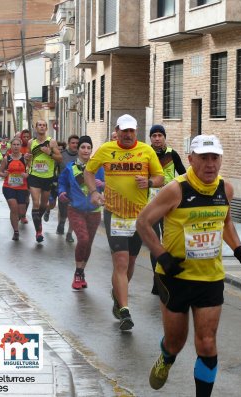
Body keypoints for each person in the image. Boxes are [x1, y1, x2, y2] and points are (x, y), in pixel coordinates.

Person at [137, 134, 241, 396]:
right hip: (175, 276)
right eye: (203, 158)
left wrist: (240, 250)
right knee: (176, 342)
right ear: (191, 159)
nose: (210, 164)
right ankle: (166, 358)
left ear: (220, 159)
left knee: (207, 343)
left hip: (210, 277)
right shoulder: (176, 189)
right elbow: (143, 222)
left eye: (214, 157)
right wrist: (161, 255)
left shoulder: (225, 189)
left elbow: (225, 221)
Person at [84, 114, 164, 330]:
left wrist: (147, 181)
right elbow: (88, 171)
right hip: (115, 213)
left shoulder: (146, 151)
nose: (128, 135)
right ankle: (125, 311)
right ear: (117, 130)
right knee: (119, 262)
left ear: (136, 132)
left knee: (129, 265)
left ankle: (117, 296)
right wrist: (93, 192)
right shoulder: (106, 149)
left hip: (139, 217)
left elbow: (160, 178)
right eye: (124, 131)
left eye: (131, 131)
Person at [58, 136, 105, 289]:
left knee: (89, 242)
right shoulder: (70, 168)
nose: (85, 150)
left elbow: (110, 184)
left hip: (94, 210)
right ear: (77, 150)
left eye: (88, 148)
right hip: (75, 209)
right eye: (83, 147)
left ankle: (81, 271)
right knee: (83, 239)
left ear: (91, 150)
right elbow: (62, 182)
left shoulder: (98, 168)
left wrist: (102, 184)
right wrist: (62, 192)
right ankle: (77, 273)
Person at [148, 124, 187, 294]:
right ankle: (157, 279)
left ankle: (167, 276)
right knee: (154, 241)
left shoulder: (172, 154)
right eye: (154, 135)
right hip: (151, 204)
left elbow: (184, 175)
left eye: (160, 135)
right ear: (150, 138)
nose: (157, 138)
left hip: (169, 204)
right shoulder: (145, 154)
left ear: (164, 137)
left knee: (169, 241)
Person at [27, 120, 62, 243]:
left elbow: (60, 158)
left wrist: (50, 152)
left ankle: (38, 219)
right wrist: (27, 160)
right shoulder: (31, 142)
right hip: (34, 176)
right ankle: (38, 232)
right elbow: (29, 158)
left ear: (46, 128)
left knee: (43, 205)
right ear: (35, 127)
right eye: (39, 125)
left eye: (43, 125)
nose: (41, 127)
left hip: (47, 177)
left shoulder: (51, 142)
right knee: (35, 203)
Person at [0, 137, 30, 241]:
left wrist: (27, 174)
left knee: (21, 212)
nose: (16, 147)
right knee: (13, 208)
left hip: (22, 187)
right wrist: (4, 174)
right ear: (10, 146)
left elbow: (31, 170)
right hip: (9, 187)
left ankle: (18, 219)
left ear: (20, 146)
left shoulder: (25, 159)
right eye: (14, 145)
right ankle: (16, 231)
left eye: (18, 145)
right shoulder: (7, 158)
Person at [55, 135, 79, 242]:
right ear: (69, 144)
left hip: (77, 188)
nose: (75, 145)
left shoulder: (81, 155)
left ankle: (69, 233)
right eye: (73, 143)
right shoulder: (62, 155)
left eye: (77, 143)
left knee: (75, 212)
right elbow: (54, 168)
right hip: (63, 187)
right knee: (64, 211)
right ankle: (62, 221)